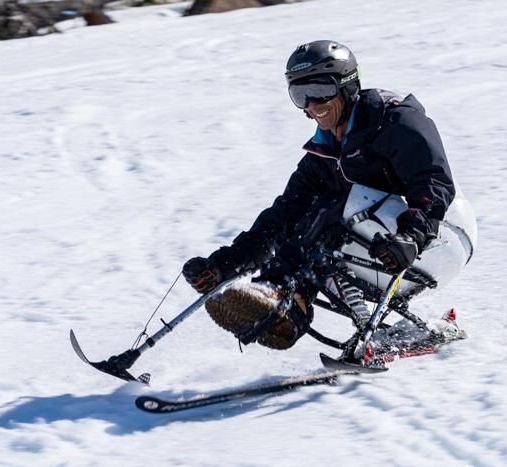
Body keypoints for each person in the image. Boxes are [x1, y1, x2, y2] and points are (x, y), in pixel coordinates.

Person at [182, 40, 460, 350]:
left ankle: (283, 298)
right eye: (301, 95)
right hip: (381, 245)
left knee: (332, 210)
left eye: (320, 90)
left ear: (347, 85)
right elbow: (285, 213)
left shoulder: (394, 121)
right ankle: (283, 304)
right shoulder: (324, 152)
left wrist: (413, 234)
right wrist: (228, 262)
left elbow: (434, 181)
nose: (313, 105)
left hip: (438, 238)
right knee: (305, 214)